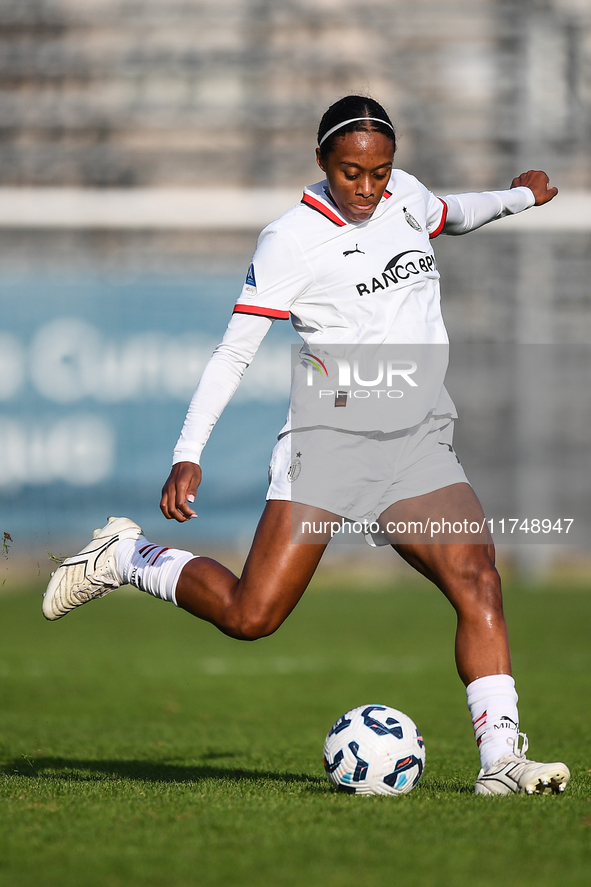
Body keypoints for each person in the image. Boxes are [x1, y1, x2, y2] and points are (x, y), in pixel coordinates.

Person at [43, 95, 570, 796]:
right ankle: (127, 554)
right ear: (321, 161)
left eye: (378, 172)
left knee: (477, 578)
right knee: (250, 615)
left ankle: (499, 761)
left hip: (417, 442)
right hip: (330, 443)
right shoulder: (288, 239)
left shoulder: (405, 197)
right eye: (351, 171)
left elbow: (454, 212)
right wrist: (188, 448)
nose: (367, 187)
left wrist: (517, 197)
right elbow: (234, 352)